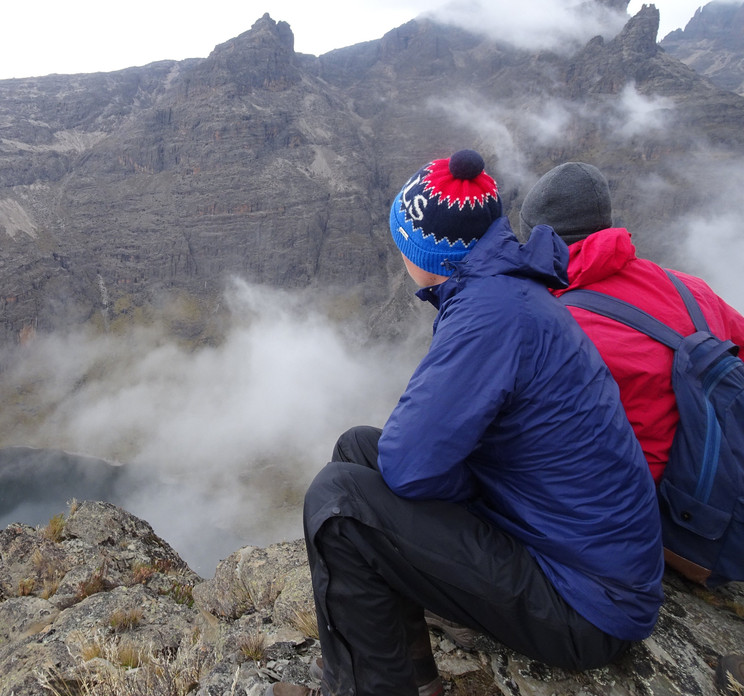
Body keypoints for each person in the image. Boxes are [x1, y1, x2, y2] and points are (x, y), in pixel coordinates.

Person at [268, 150, 664, 696]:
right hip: (572, 553)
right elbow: (419, 454)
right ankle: (401, 671)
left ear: (424, 253)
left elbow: (409, 467)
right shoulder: (507, 288)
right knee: (357, 448)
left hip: (586, 604)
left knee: (340, 501)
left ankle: (373, 688)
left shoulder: (490, 316)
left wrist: (442, 487)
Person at [518, 161, 744, 485]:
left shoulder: (553, 328)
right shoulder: (693, 289)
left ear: (536, 242)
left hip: (651, 511)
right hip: (725, 480)